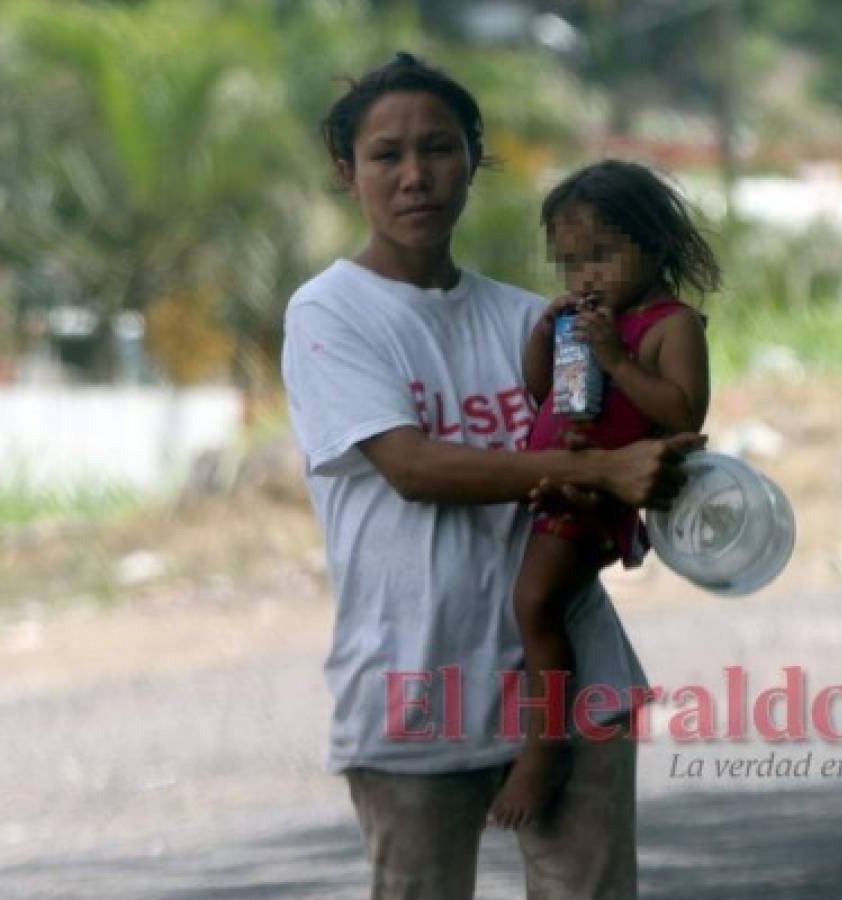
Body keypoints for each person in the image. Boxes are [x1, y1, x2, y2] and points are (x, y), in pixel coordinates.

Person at [281, 53, 702, 900]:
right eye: (385, 155)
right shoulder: (329, 313)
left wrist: (650, 477)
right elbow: (410, 466)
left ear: (474, 158)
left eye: (437, 149)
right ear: (346, 172)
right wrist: (600, 470)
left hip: (573, 674)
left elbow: (631, 427)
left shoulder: (535, 319)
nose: (414, 177)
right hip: (418, 681)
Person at [489, 160, 719, 829]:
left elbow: (681, 414)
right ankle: (541, 736)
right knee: (533, 606)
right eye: (568, 265)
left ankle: (545, 746)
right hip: (559, 481)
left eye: (601, 256)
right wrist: (545, 335)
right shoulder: (588, 322)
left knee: (534, 606)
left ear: (653, 244)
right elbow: (542, 394)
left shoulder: (670, 327)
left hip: (597, 498)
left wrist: (616, 359)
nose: (584, 278)